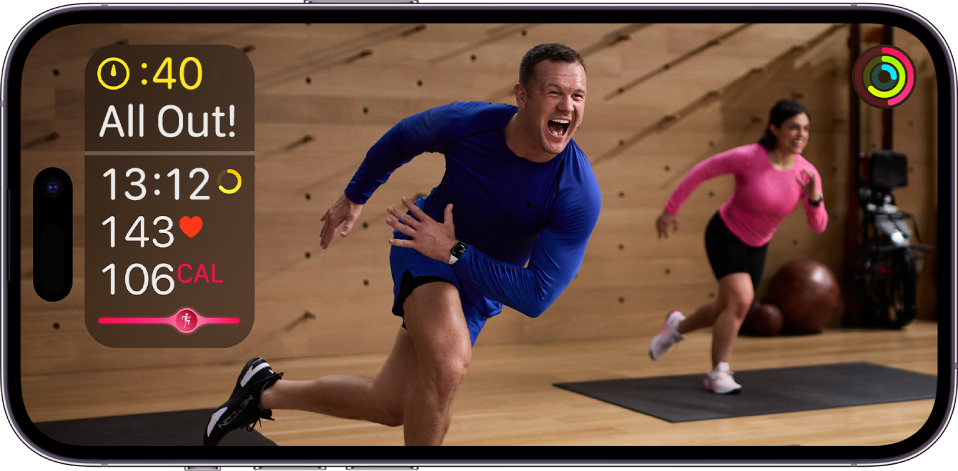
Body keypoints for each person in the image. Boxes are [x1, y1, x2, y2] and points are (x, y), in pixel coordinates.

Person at [203, 43, 602, 446]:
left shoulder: (577, 192)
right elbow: (401, 139)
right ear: (522, 96)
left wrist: (455, 250)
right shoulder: (469, 123)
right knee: (448, 365)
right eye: (555, 92)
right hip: (423, 243)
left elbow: (536, 296)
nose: (567, 106)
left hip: (476, 275)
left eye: (578, 96)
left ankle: (263, 391)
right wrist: (355, 195)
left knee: (393, 405)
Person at [650, 99, 827, 394]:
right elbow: (702, 171)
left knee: (726, 307)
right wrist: (671, 209)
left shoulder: (807, 174)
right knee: (742, 300)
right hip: (725, 233)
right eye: (793, 127)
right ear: (775, 128)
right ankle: (718, 372)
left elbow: (818, 226)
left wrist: (814, 197)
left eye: (806, 129)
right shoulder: (750, 156)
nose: (801, 134)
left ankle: (676, 328)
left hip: (758, 245)